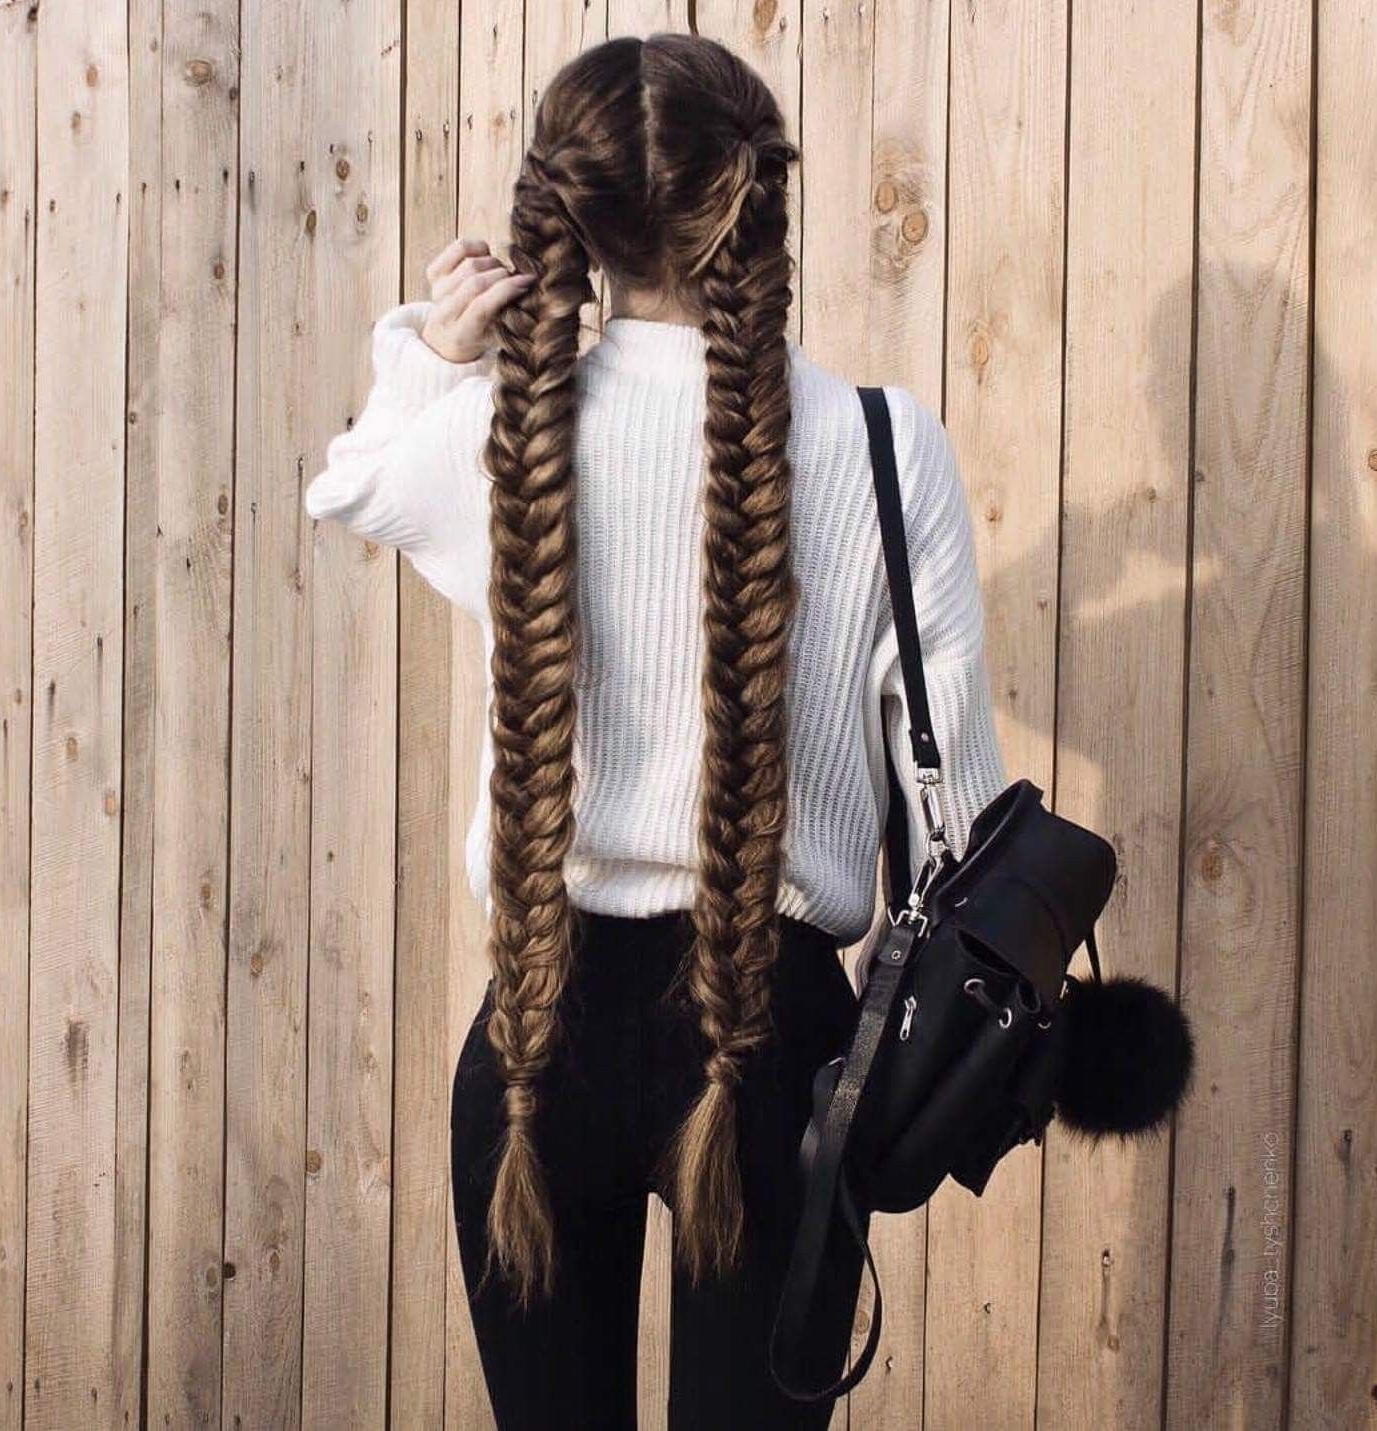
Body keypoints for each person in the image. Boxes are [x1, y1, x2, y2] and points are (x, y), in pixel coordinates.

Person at [303, 30, 1008, 1431]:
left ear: (568, 220)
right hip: (778, 1046)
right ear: (757, 196)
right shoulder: (885, 447)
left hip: (535, 1045)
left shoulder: (505, 434)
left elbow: (357, 483)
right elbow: (964, 812)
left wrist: (431, 349)